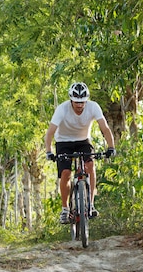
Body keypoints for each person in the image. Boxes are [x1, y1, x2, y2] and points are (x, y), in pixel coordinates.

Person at [44, 82, 116, 224]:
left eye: (82, 102)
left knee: (90, 166)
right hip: (63, 142)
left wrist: (111, 147)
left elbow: (105, 128)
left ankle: (90, 204)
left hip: (83, 140)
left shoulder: (93, 107)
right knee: (65, 173)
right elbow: (50, 132)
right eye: (76, 102)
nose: (79, 105)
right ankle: (65, 209)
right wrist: (48, 151)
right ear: (71, 100)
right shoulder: (62, 109)